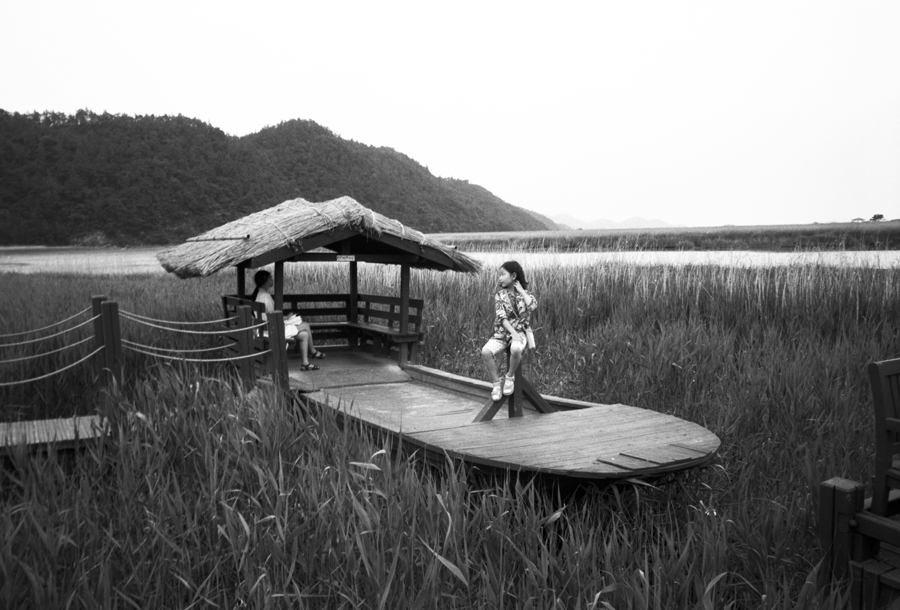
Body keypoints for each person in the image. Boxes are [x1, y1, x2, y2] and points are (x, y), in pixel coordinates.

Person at [481, 261, 537, 401]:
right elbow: (501, 317)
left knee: (515, 349)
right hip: (503, 333)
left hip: (521, 332)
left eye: (502, 274)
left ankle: (509, 377)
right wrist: (513, 332)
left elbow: (532, 306)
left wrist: (522, 291)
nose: (499, 278)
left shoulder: (526, 294)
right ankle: (496, 383)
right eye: (499, 275)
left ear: (513, 276)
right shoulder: (499, 295)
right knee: (486, 352)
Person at [250, 269, 325, 371]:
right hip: (270, 330)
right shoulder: (266, 297)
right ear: (265, 279)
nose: (272, 279)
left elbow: (268, 316)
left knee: (304, 335)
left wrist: (285, 318)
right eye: (270, 277)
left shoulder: (258, 294)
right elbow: (273, 318)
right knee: (306, 325)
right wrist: (286, 319)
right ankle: (312, 351)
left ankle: (305, 363)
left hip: (263, 329)